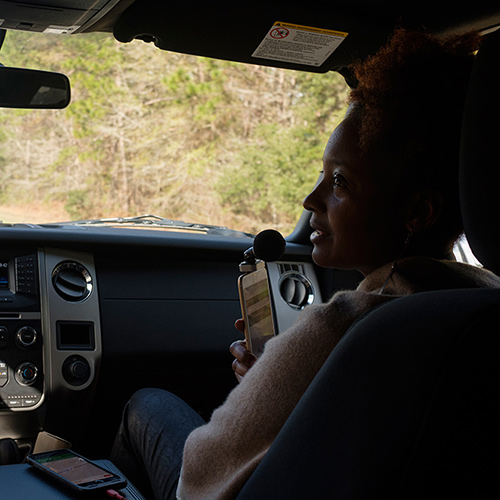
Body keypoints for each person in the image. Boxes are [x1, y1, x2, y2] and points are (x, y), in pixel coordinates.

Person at [110, 28, 500, 500]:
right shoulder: (480, 307)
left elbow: (198, 477)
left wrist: (265, 383)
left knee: (146, 405)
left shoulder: (345, 325)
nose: (310, 198)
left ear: (418, 212)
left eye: (339, 182)